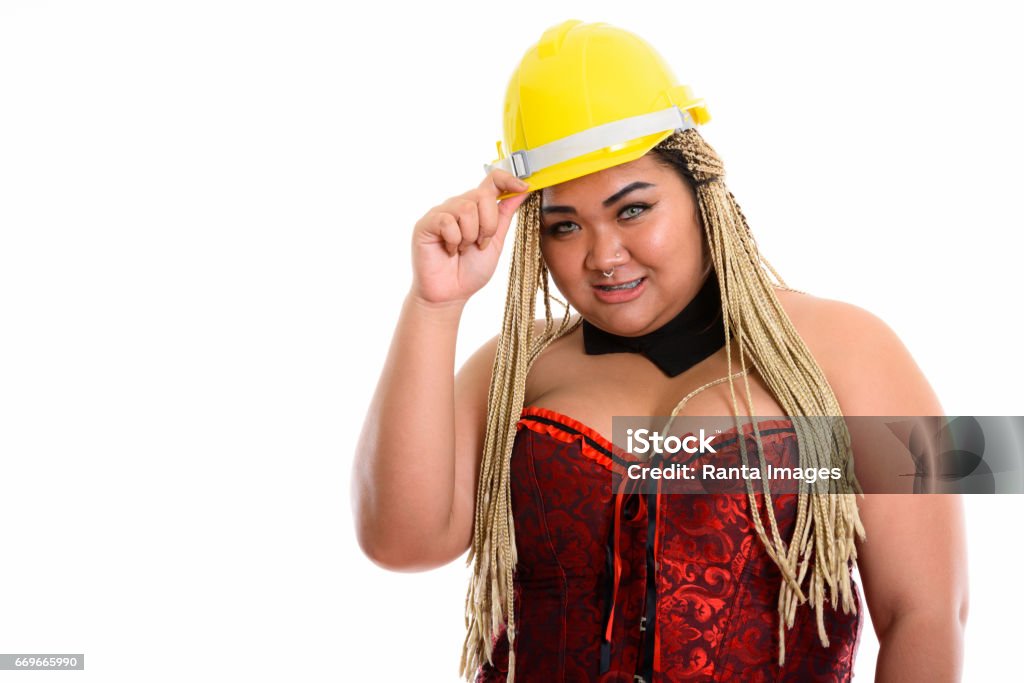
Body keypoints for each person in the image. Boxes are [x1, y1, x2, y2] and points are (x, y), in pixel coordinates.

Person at [353, 19, 968, 683]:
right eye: (564, 225)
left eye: (633, 209)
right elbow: (399, 542)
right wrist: (434, 306)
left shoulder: (849, 352)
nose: (603, 256)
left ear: (702, 193)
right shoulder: (513, 370)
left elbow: (926, 612)